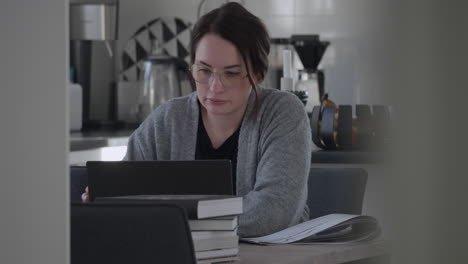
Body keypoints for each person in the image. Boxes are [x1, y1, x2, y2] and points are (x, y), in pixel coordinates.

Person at [82, 2, 312, 238]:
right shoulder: (167, 120)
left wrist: (173, 220)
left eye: (231, 73)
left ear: (258, 73)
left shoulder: (283, 113)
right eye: (203, 71)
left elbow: (274, 212)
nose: (215, 87)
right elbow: (124, 196)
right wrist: (105, 199)